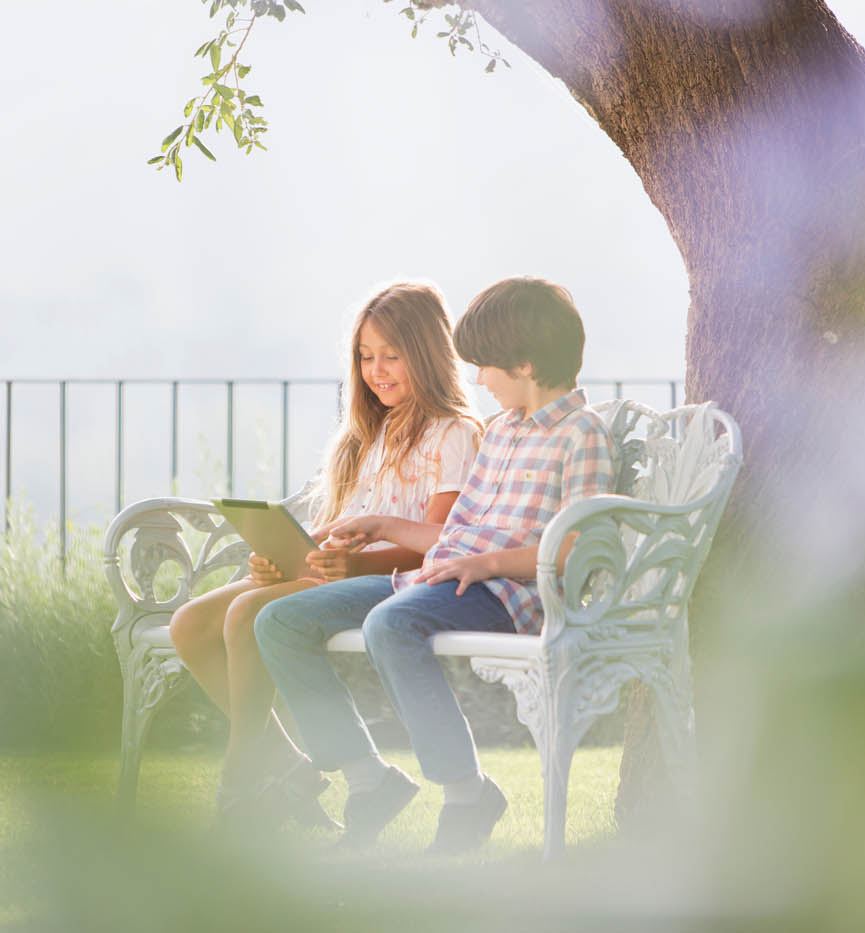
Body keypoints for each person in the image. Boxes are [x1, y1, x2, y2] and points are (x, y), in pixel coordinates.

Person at [254, 276, 614, 853]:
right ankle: (366, 777)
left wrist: (489, 561)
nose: (478, 381)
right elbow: (457, 532)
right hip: (443, 575)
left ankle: (466, 793)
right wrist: (384, 526)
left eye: (486, 368)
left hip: (504, 590)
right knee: (280, 622)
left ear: (523, 365)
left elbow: (574, 547)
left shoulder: (581, 434)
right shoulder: (502, 431)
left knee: (391, 625)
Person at [168, 282, 481, 828]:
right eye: (365, 357)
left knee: (248, 614)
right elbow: (333, 529)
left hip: (391, 585)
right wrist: (278, 558)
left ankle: (241, 766)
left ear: (428, 354)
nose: (376, 371)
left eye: (392, 356)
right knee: (190, 623)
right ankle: (288, 766)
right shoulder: (367, 434)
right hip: (330, 574)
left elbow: (438, 547)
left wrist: (353, 565)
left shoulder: (452, 435)